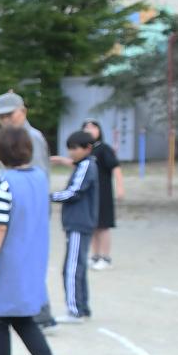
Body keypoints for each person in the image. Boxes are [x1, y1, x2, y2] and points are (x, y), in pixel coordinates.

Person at [0, 125, 68, 355]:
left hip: (8, 262)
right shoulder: (40, 177)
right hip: (33, 259)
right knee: (18, 317)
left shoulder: (3, 182)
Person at [0, 91, 58, 329]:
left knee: (28, 259)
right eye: (1, 117)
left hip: (29, 209)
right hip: (16, 206)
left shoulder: (32, 137)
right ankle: (32, 311)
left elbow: (37, 176)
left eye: (10, 114)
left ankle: (41, 313)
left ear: (23, 111)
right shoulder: (10, 136)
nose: (6, 120)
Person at [51, 129, 100, 322]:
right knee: (77, 266)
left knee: (71, 268)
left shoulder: (86, 166)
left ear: (87, 148)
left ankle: (74, 310)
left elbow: (74, 192)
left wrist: (49, 197)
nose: (72, 153)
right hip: (80, 222)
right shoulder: (84, 165)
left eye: (75, 149)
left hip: (79, 223)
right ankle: (82, 307)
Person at [82, 119, 123, 270]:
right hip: (89, 194)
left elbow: (116, 168)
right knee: (93, 226)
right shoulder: (85, 150)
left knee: (103, 226)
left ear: (99, 131)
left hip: (103, 193)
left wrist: (120, 188)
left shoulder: (104, 149)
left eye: (93, 127)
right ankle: (96, 255)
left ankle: (106, 257)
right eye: (86, 127)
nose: (90, 130)